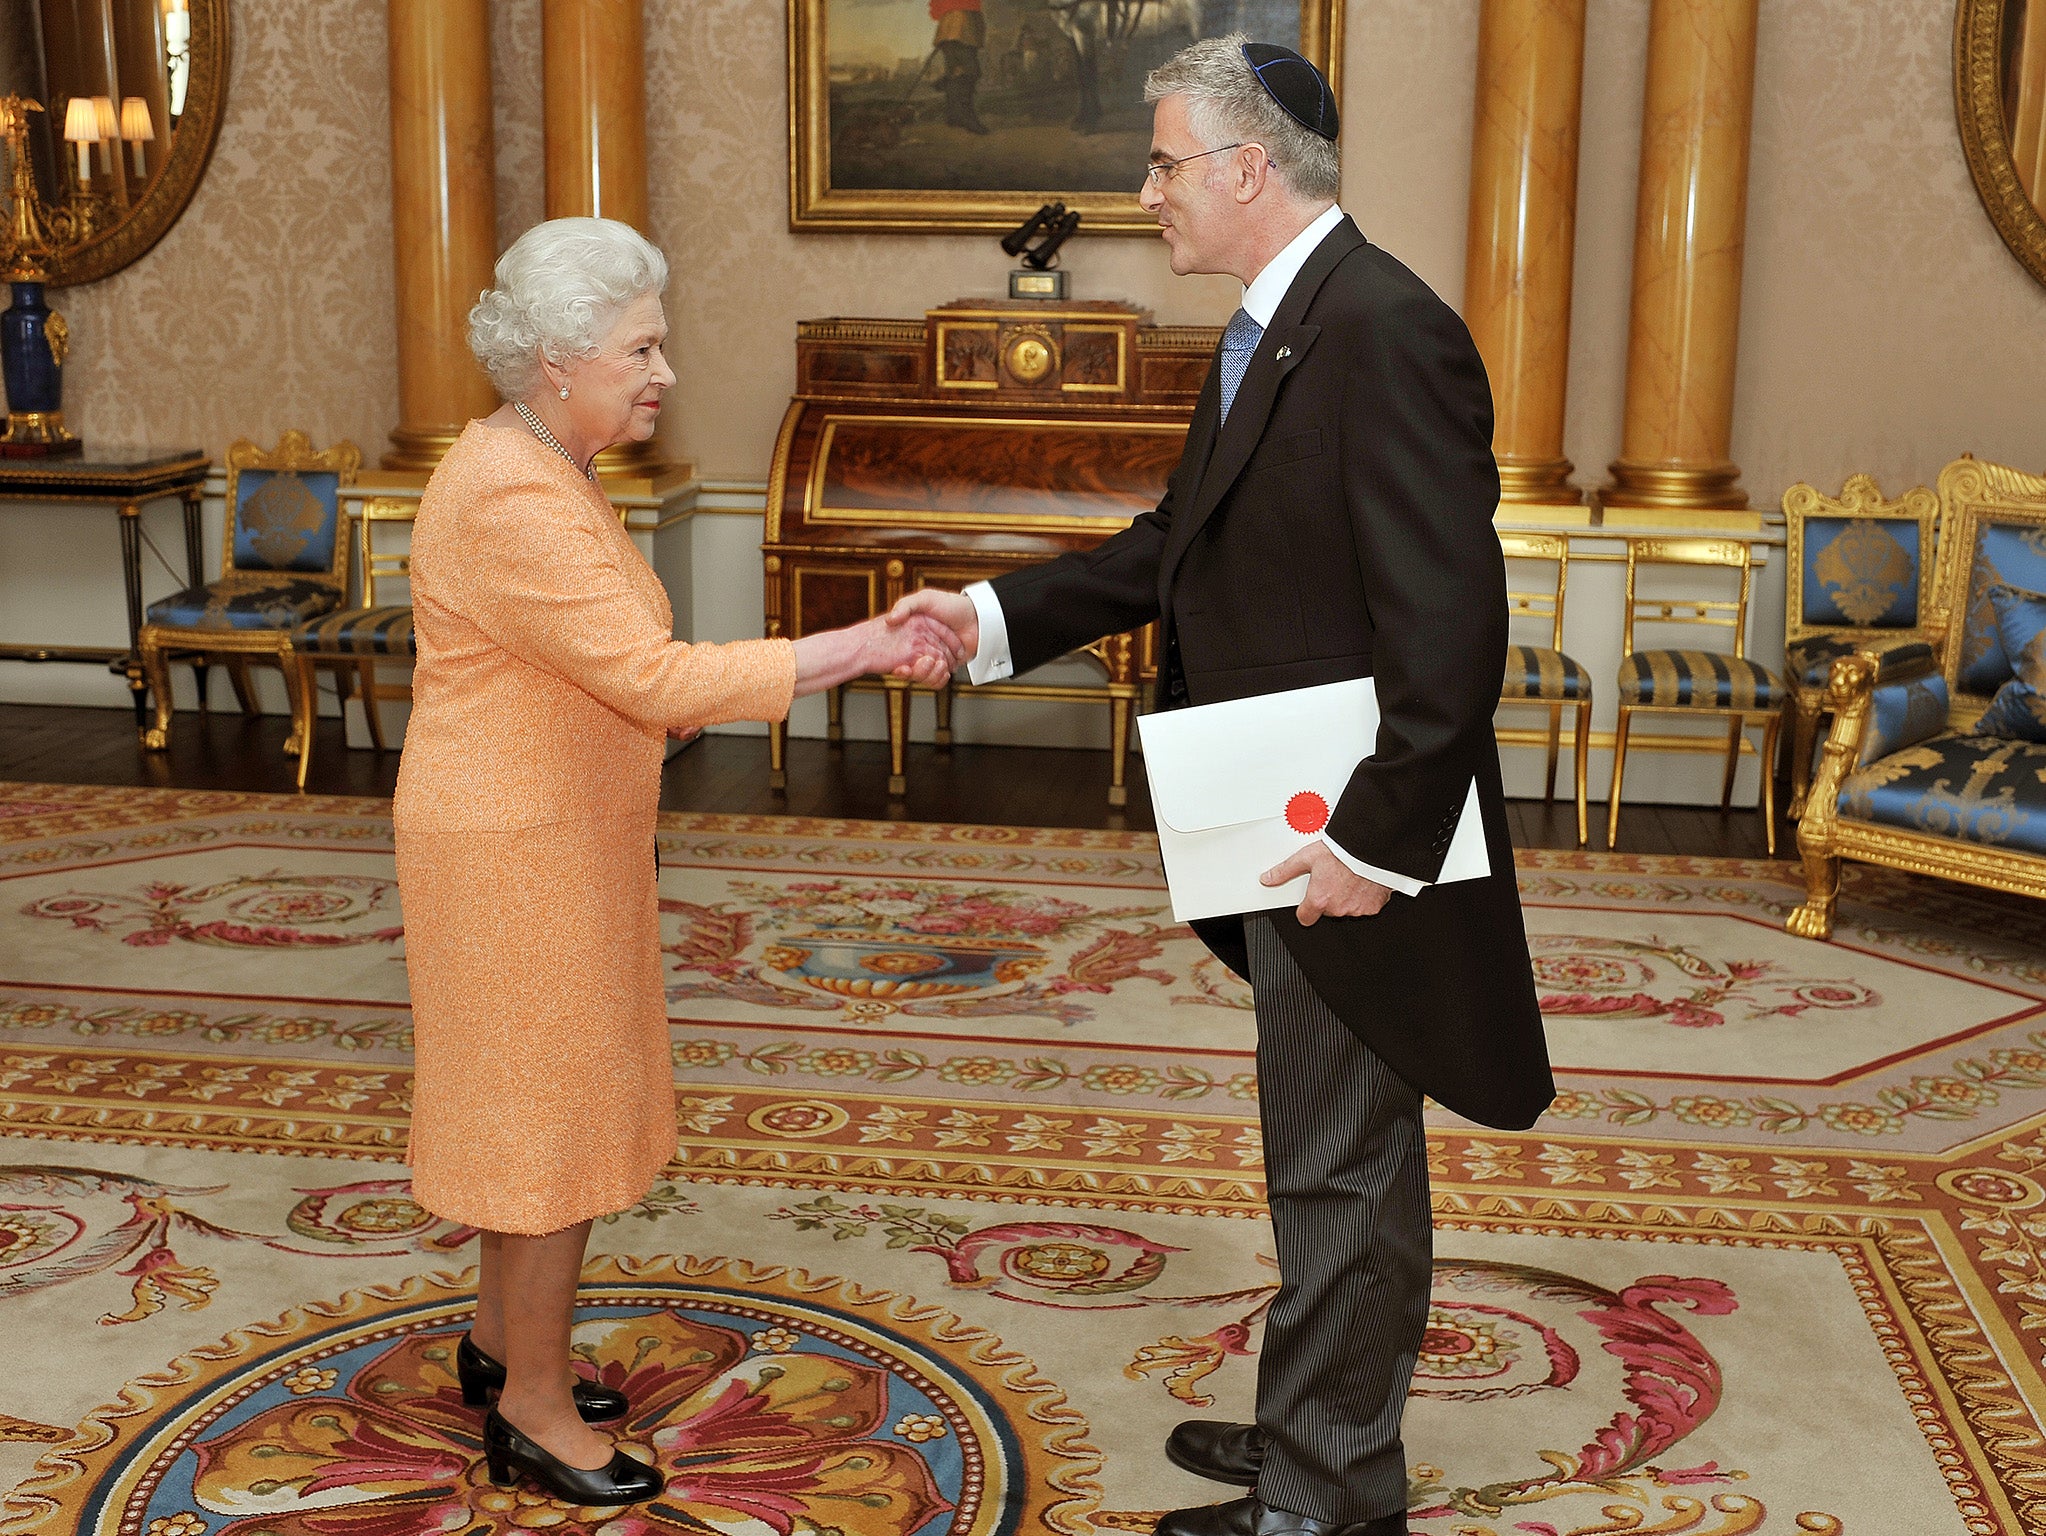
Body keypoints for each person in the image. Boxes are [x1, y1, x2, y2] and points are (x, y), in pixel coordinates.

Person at [889, 38, 1553, 1536]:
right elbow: (1169, 548)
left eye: (1163, 163)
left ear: (1248, 170)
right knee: (1318, 1153)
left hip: (1347, 839)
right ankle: (1316, 1428)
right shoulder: (1282, 324)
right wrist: (987, 621)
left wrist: (1372, 852)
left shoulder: (1384, 330)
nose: (1143, 194)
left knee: (1338, 1165)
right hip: (1281, 817)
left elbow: (1451, 629)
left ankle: (1329, 1498)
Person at [394, 217, 961, 1509]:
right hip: (512, 852)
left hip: (553, 831)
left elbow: (604, 663)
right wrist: (860, 643)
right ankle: (532, 1410)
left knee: (544, 1107)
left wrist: (664, 695)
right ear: (556, 359)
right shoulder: (509, 485)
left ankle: (500, 1348)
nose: (662, 372)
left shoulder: (543, 460)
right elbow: (641, 670)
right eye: (641, 347)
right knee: (549, 1127)